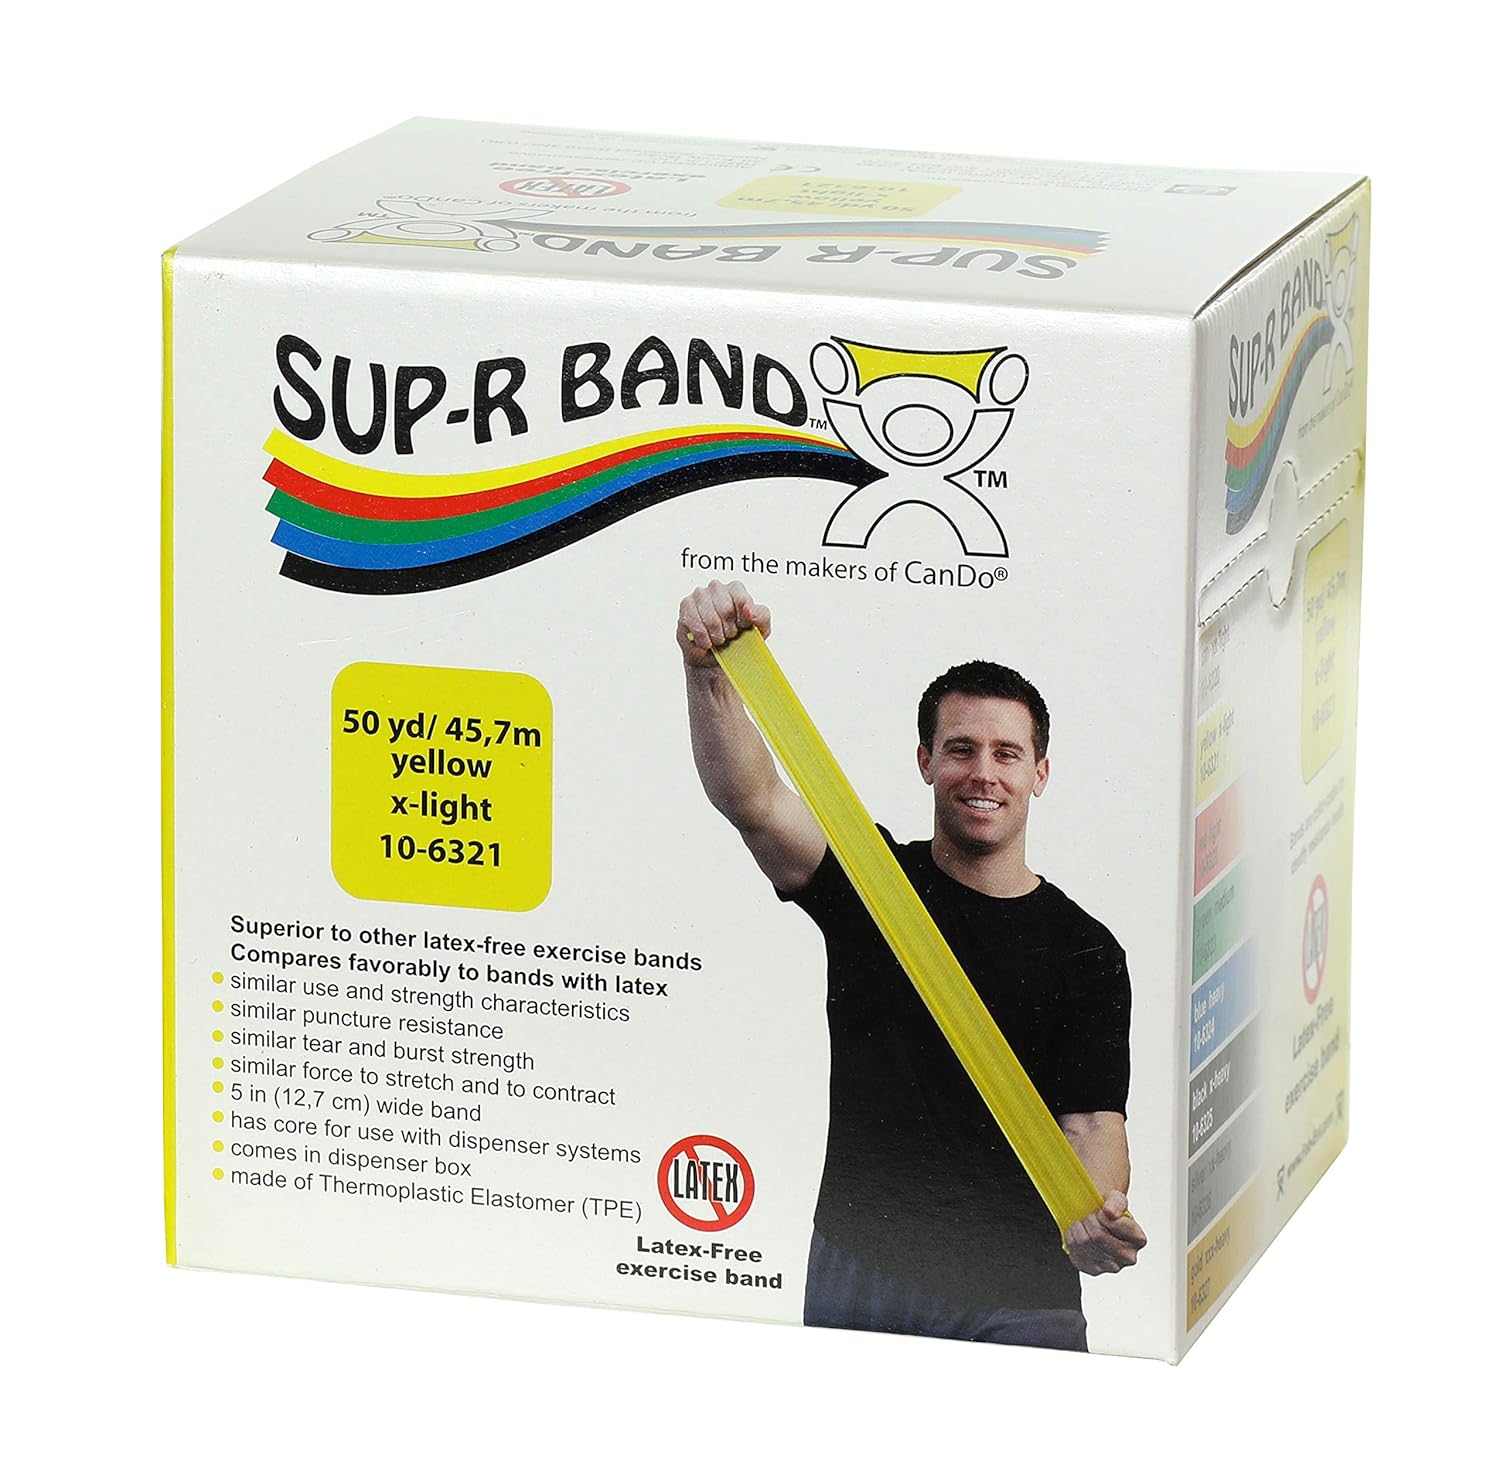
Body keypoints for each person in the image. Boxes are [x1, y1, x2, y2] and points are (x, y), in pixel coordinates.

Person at [677, 579, 1147, 1352]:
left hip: (1020, 1289)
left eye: (1007, 753)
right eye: (960, 749)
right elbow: (754, 799)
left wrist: (1095, 1209)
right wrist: (708, 670)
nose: (983, 772)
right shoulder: (872, 881)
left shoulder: (1085, 948)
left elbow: (1093, 1118)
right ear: (926, 761)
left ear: (1040, 772)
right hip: (866, 1267)